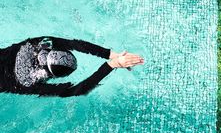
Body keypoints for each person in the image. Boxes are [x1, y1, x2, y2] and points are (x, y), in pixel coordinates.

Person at [0, 36, 144, 97]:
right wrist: (113, 64)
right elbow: (78, 90)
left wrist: (110, 54)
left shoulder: (37, 43)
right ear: (52, 75)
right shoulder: (30, 84)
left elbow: (75, 44)